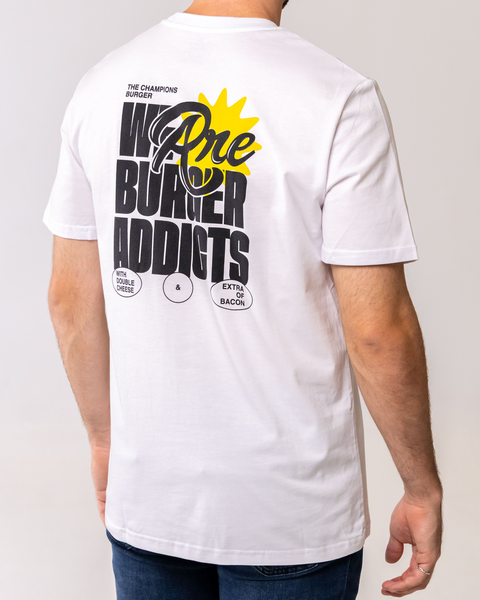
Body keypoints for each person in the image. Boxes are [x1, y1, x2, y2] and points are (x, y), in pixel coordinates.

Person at [44, 0, 443, 598]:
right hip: (290, 513)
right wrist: (421, 487)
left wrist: (105, 442)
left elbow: (70, 300)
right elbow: (377, 329)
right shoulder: (338, 98)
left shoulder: (103, 84)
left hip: (151, 494)